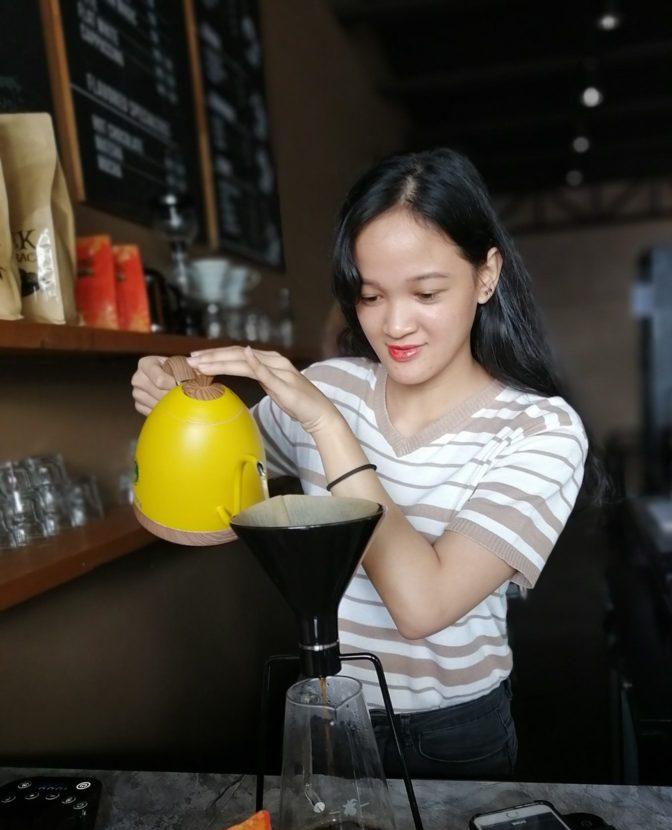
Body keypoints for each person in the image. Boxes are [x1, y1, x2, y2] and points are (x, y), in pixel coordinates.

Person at [131, 147, 593, 781]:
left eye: (426, 292)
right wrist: (177, 397)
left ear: (486, 275)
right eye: (370, 296)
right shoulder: (333, 385)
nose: (395, 324)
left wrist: (328, 427)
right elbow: (220, 482)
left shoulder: (539, 430)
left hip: (453, 733)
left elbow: (422, 606)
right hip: (326, 709)